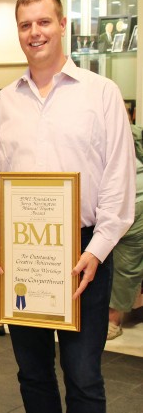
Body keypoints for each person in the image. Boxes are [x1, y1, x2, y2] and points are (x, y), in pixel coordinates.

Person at [0, 0, 135, 413]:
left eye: (44, 21)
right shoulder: (4, 103)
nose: (35, 33)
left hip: (83, 255)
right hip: (21, 254)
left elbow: (117, 181)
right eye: (25, 25)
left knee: (83, 375)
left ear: (63, 25)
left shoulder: (101, 93)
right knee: (32, 374)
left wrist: (97, 250)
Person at [107, 121, 143, 340]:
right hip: (107, 203)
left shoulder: (131, 130)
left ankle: (113, 320)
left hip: (136, 200)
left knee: (127, 264)